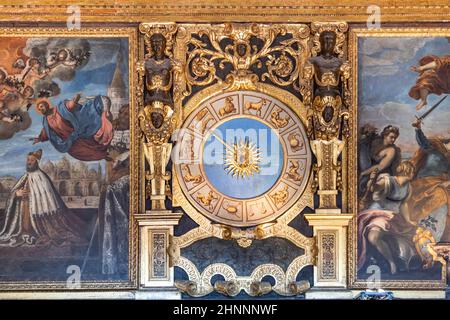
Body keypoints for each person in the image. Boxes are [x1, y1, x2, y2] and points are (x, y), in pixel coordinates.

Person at [0, 149, 87, 246]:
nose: (29, 162)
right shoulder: (25, 176)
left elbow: (48, 198)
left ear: (37, 162)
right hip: (24, 214)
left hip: (39, 217)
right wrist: (17, 193)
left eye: (32, 160)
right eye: (28, 160)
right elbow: (13, 192)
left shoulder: (42, 177)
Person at [358, 160, 417, 275]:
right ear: (407, 171)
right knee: (373, 237)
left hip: (392, 216)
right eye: (412, 172)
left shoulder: (408, 187)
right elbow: (374, 188)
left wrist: (408, 219)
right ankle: (391, 262)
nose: (414, 174)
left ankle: (397, 261)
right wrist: (373, 180)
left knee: (407, 237)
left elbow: (403, 204)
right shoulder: (388, 181)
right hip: (378, 213)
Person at [31, 94, 114, 161]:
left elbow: (69, 106)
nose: (41, 109)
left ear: (46, 104)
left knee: (92, 141)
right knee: (83, 153)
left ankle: (107, 149)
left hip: (77, 132)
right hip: (69, 141)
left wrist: (75, 100)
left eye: (41, 106)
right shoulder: (46, 121)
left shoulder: (59, 108)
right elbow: (47, 132)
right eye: (39, 109)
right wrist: (40, 138)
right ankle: (103, 156)